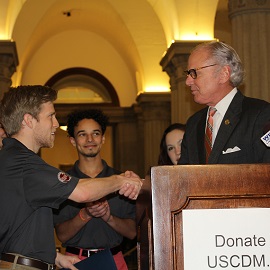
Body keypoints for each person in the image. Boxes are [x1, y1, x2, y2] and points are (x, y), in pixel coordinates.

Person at [0, 85, 142, 270]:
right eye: (50, 116)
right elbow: (83, 193)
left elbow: (20, 227)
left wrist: (55, 257)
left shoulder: (14, 159)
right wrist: (123, 180)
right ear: (29, 120)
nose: (56, 124)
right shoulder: (24, 163)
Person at [54, 109, 136, 270]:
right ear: (73, 140)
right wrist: (85, 214)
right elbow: (62, 234)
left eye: (96, 133)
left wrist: (108, 217)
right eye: (82, 134)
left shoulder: (121, 180)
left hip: (114, 260)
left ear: (103, 138)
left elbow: (132, 232)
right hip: (74, 262)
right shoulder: (63, 182)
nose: (90, 139)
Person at [178, 41, 270, 165]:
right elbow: (183, 178)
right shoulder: (194, 124)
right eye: (188, 74)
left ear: (223, 74)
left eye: (194, 73)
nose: (188, 81)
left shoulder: (260, 115)